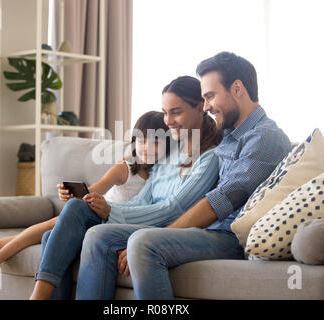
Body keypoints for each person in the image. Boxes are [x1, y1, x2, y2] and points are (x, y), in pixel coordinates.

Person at [75, 52, 292, 300]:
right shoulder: (229, 137)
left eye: (210, 96)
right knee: (97, 234)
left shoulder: (264, 137)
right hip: (209, 230)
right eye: (203, 98)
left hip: (230, 237)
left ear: (237, 89)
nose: (207, 106)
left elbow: (221, 200)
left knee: (144, 243)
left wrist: (163, 232)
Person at [29, 76, 222, 300]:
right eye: (165, 112)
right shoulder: (171, 153)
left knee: (97, 235)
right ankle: (40, 296)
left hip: (162, 226)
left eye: (176, 112)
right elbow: (142, 200)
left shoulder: (209, 158)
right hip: (141, 218)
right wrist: (102, 205)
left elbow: (173, 209)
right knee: (67, 217)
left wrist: (111, 212)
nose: (168, 121)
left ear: (200, 108)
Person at [0, 111, 170, 272]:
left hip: (120, 227)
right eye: (142, 140)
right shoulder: (124, 169)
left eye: (156, 141)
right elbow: (93, 192)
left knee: (52, 227)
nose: (147, 147)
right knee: (52, 224)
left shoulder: (164, 175)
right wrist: (73, 195)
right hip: (100, 215)